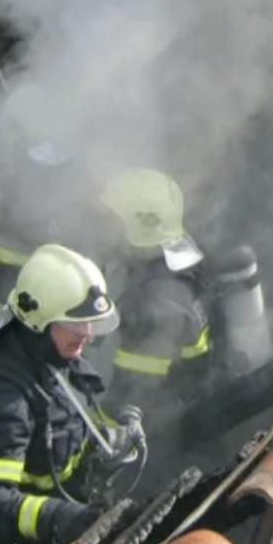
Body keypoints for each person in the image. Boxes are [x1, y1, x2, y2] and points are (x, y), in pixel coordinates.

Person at [0, 244, 122, 544]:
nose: (87, 334)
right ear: (38, 321)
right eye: (75, 324)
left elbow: (68, 423)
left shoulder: (55, 356)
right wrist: (60, 518)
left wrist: (107, 440)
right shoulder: (2, 397)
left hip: (63, 543)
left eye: (88, 322)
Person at [96, 169, 217, 412]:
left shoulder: (153, 309)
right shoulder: (171, 266)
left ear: (139, 231)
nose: (103, 228)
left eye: (113, 222)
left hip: (162, 425)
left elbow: (127, 403)